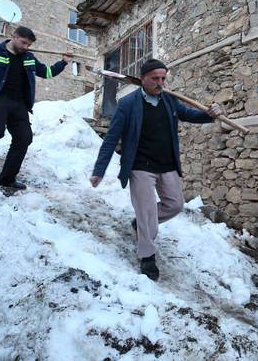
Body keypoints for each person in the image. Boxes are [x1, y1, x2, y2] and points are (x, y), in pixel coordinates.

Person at [90, 59, 221, 281]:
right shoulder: (128, 104)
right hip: (140, 165)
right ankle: (147, 256)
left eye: (163, 78)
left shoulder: (169, 100)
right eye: (155, 78)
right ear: (143, 79)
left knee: (175, 205)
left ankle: (141, 224)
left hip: (166, 163)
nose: (160, 83)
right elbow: (112, 138)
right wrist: (99, 170)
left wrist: (210, 114)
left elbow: (190, 115)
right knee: (147, 211)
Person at [0, 26, 72, 189]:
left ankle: (7, 178)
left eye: (28, 45)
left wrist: (63, 62)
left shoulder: (28, 57)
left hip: (20, 104)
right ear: (13, 36)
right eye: (23, 43)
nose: (25, 47)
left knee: (24, 138)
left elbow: (46, 72)